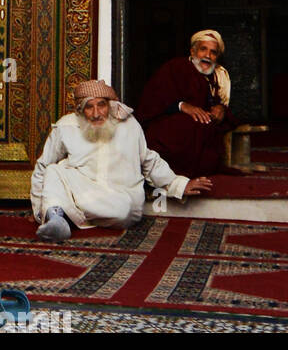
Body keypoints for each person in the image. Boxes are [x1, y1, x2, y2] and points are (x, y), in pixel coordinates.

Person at [30, 79, 211, 242]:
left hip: (120, 201)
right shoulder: (66, 125)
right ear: (80, 110)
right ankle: (56, 219)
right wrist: (40, 209)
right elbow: (43, 166)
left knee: (122, 209)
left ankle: (66, 213)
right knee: (53, 169)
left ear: (110, 105)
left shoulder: (129, 124)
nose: (96, 113)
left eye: (101, 105)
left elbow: (148, 161)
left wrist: (178, 184)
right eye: (89, 107)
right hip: (84, 189)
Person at [134, 29, 235, 178]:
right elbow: (151, 101)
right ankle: (167, 178)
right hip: (169, 123)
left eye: (213, 52)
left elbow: (221, 106)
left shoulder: (219, 76)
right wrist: (181, 106)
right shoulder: (175, 67)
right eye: (203, 49)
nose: (208, 56)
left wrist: (221, 110)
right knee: (183, 127)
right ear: (193, 51)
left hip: (203, 130)